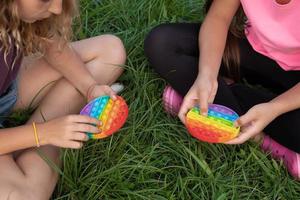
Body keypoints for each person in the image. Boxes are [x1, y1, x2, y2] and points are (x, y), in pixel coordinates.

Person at [144, 0, 300, 180]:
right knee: (162, 42)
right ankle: (260, 136)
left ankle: (212, 105)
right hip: (252, 48)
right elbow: (218, 17)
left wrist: (274, 108)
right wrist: (207, 74)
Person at [0, 0, 126, 199]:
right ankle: (32, 141)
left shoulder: (14, 12)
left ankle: (27, 139)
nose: (58, 8)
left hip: (5, 89)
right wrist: (43, 133)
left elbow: (52, 45)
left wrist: (89, 87)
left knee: (110, 51)